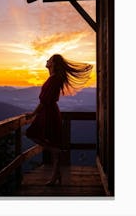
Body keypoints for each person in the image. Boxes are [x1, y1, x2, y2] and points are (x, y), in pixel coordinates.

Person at [25, 54, 93, 186]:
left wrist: (33, 114)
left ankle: (56, 162)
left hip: (48, 113)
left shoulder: (54, 79)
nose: (46, 61)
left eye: (49, 60)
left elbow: (45, 101)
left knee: (32, 134)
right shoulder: (54, 78)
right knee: (52, 141)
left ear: (54, 64)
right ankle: (56, 174)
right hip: (50, 112)